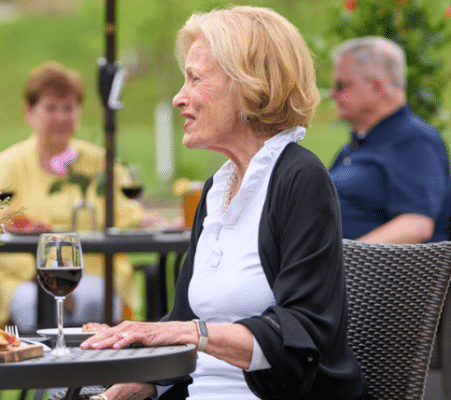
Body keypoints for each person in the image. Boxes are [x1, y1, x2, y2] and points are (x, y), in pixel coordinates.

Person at [80, 6, 370, 400]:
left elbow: (303, 333)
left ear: (248, 85)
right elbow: (183, 319)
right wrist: (123, 390)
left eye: (195, 79)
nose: (179, 98)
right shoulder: (218, 187)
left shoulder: (300, 179)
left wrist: (187, 333)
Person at [0, 61, 166, 332]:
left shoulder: (99, 162)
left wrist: (150, 222)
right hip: (24, 278)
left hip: (95, 274)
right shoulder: (7, 164)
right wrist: (46, 278)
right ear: (28, 112)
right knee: (34, 303)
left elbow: (127, 216)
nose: (60, 117)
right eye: (51, 108)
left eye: (68, 108)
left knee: (94, 298)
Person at [328, 36, 451, 243]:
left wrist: (341, 260)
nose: (332, 94)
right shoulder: (359, 143)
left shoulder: (415, 141)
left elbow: (417, 224)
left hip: (375, 273)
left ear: (377, 87)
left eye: (341, 85)